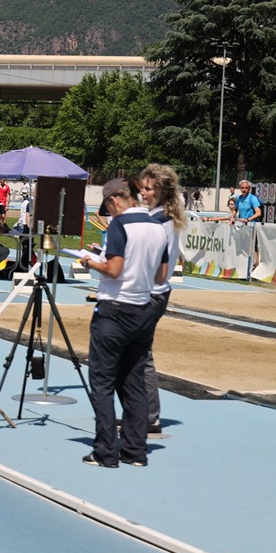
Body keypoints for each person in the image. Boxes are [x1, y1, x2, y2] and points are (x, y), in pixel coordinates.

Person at [80, 177, 168, 468]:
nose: (109, 213)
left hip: (115, 310)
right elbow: (161, 275)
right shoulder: (158, 226)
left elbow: (114, 270)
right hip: (143, 309)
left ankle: (105, 451)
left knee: (102, 382)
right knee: (134, 382)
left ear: (114, 201)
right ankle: (135, 451)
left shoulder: (120, 225)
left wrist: (91, 262)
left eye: (108, 208)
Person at [139, 164, 187, 437]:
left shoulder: (160, 220)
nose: (142, 193)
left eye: (148, 188)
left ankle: (149, 417)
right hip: (154, 291)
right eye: (142, 187)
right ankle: (142, 414)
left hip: (152, 293)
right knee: (135, 354)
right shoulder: (163, 216)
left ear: (162, 192)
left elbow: (153, 262)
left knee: (140, 355)